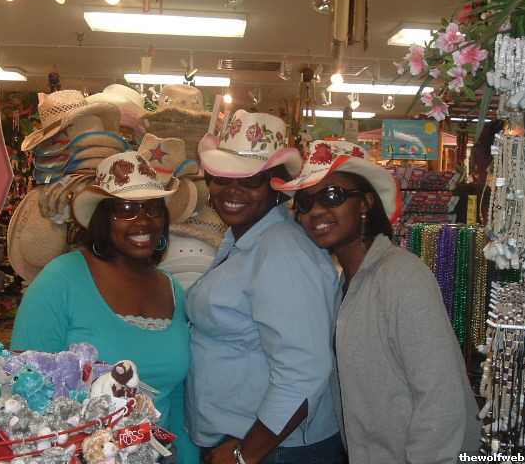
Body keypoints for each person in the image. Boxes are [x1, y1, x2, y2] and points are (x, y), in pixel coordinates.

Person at [271, 139, 481, 464]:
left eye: (332, 196)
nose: (316, 211)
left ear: (366, 202)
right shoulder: (344, 284)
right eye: (305, 202)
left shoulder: (402, 276)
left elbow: (440, 394)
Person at [11, 150, 199, 463]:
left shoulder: (172, 290)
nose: (143, 220)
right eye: (126, 209)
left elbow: (178, 396)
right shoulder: (61, 280)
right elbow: (24, 386)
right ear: (102, 218)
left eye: (153, 208)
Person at [186, 110, 343, 464]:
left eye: (251, 180)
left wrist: (245, 454)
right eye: (222, 178)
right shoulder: (246, 239)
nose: (233, 190)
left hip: (272, 447)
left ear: (274, 186)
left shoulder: (283, 250)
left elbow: (304, 370)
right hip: (248, 438)